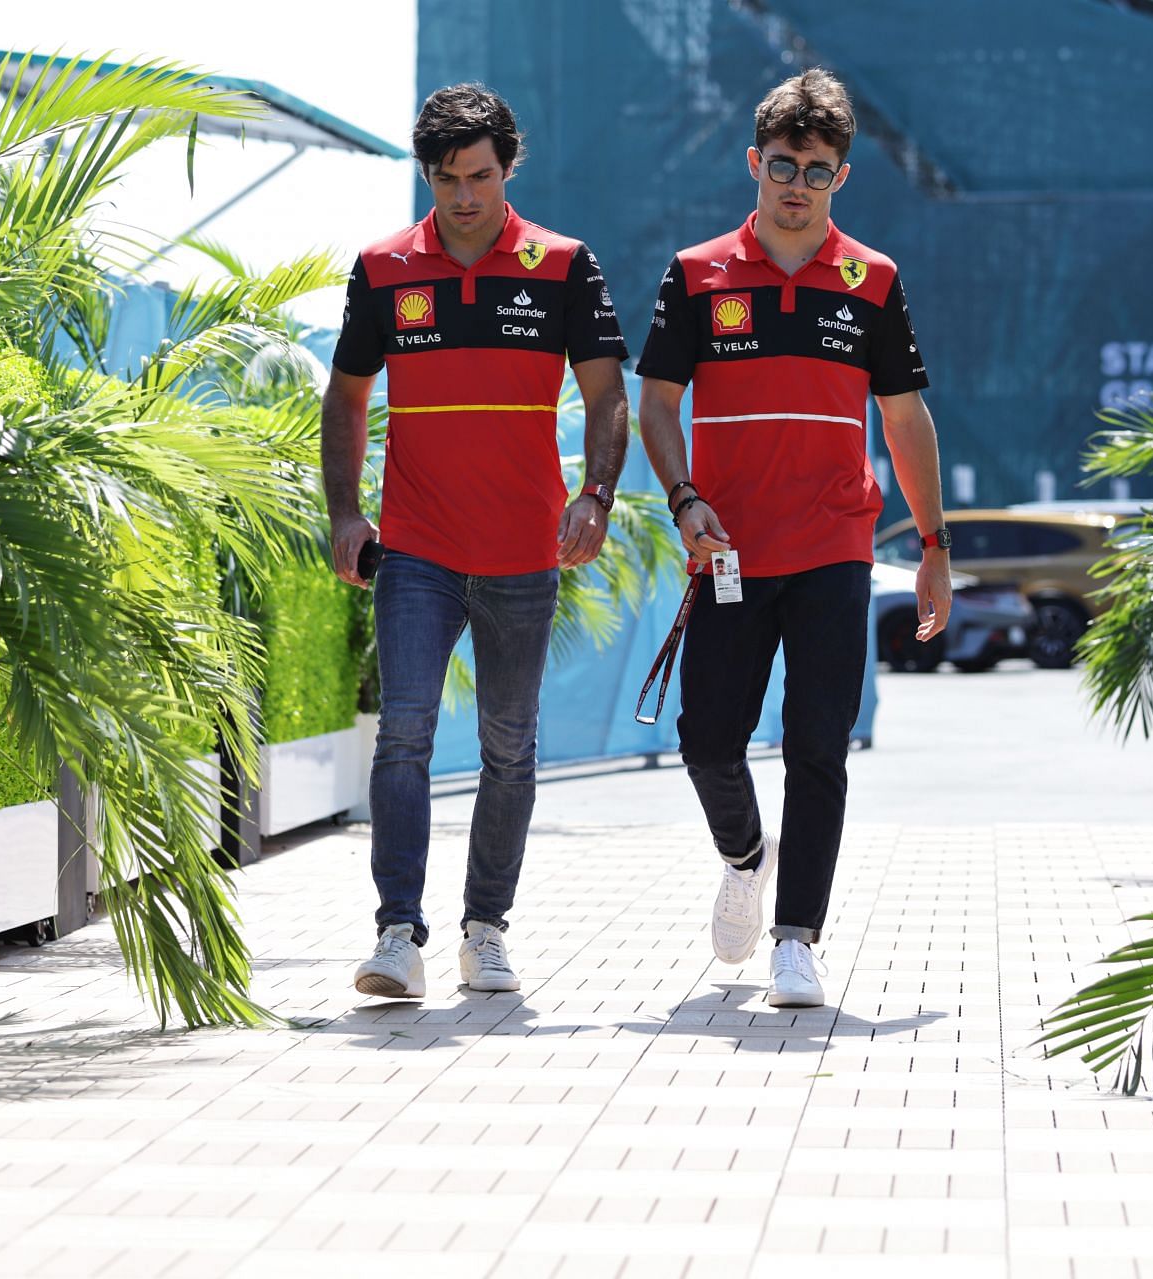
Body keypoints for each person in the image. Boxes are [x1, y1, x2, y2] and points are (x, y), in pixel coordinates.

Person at [635, 68, 951, 1008]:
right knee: (706, 741)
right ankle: (745, 856)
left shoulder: (873, 280)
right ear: (754, 163)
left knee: (819, 745)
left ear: (841, 177)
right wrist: (685, 498)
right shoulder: (696, 275)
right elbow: (658, 403)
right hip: (727, 552)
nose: (797, 184)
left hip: (832, 551)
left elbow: (906, 420)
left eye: (817, 169)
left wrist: (933, 546)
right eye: (782, 164)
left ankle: (797, 939)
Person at [321, 83, 630, 998]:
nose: (465, 196)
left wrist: (597, 494)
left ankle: (486, 929)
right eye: (449, 178)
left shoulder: (563, 263)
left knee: (508, 747)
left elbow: (608, 394)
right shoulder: (382, 269)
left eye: (482, 177)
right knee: (404, 734)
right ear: (427, 173)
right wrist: (346, 509)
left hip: (524, 552)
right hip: (415, 548)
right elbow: (345, 397)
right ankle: (396, 934)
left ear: (508, 169)